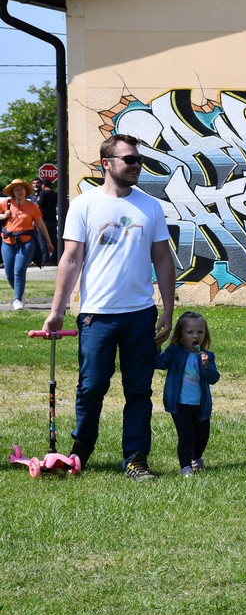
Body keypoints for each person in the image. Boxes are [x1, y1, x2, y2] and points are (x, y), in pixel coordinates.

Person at [41, 133, 176, 480]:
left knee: (138, 390)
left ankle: (135, 458)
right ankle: (80, 452)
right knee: (92, 386)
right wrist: (57, 310)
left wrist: (168, 309)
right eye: (129, 159)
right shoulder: (85, 205)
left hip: (139, 314)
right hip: (96, 315)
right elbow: (71, 260)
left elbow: (162, 259)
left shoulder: (150, 206)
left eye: (138, 160)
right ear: (107, 164)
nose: (136, 165)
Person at [156, 311, 220, 476]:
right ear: (181, 335)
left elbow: (213, 378)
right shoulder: (175, 352)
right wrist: (156, 346)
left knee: (203, 435)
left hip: (200, 404)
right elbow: (160, 363)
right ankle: (185, 467)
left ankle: (196, 458)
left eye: (200, 332)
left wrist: (207, 366)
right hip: (179, 403)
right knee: (186, 435)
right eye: (190, 332)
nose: (195, 336)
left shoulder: (207, 356)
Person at [1, 178, 54, 309]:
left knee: (19, 271)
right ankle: (19, 293)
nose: (20, 191)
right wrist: (3, 216)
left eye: (22, 188)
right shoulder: (5, 203)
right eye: (16, 189)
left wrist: (49, 242)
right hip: (8, 242)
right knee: (9, 272)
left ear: (25, 190)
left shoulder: (33, 207)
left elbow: (41, 225)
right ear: (12, 192)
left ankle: (17, 299)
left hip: (26, 242)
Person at [36, 179, 59, 265]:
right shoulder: (55, 193)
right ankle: (54, 258)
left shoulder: (43, 193)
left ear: (43, 185)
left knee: (42, 240)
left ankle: (46, 259)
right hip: (53, 219)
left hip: (44, 220)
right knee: (54, 240)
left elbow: (39, 205)